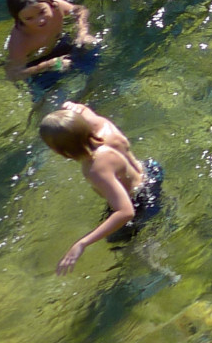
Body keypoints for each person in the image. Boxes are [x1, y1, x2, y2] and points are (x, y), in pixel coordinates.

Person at [39, 101, 163, 274]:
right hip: (151, 172)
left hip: (139, 200)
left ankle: (159, 270)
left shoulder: (95, 169)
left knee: (120, 244)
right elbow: (83, 111)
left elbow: (126, 212)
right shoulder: (102, 124)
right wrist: (74, 106)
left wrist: (82, 243)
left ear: (61, 151)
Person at [3, 0, 99, 82]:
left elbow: (80, 10)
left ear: (48, 2)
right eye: (29, 18)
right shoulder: (20, 40)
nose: (40, 20)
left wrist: (83, 32)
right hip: (37, 63)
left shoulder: (57, 7)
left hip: (61, 45)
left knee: (92, 58)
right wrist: (45, 66)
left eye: (42, 12)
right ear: (19, 20)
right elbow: (12, 75)